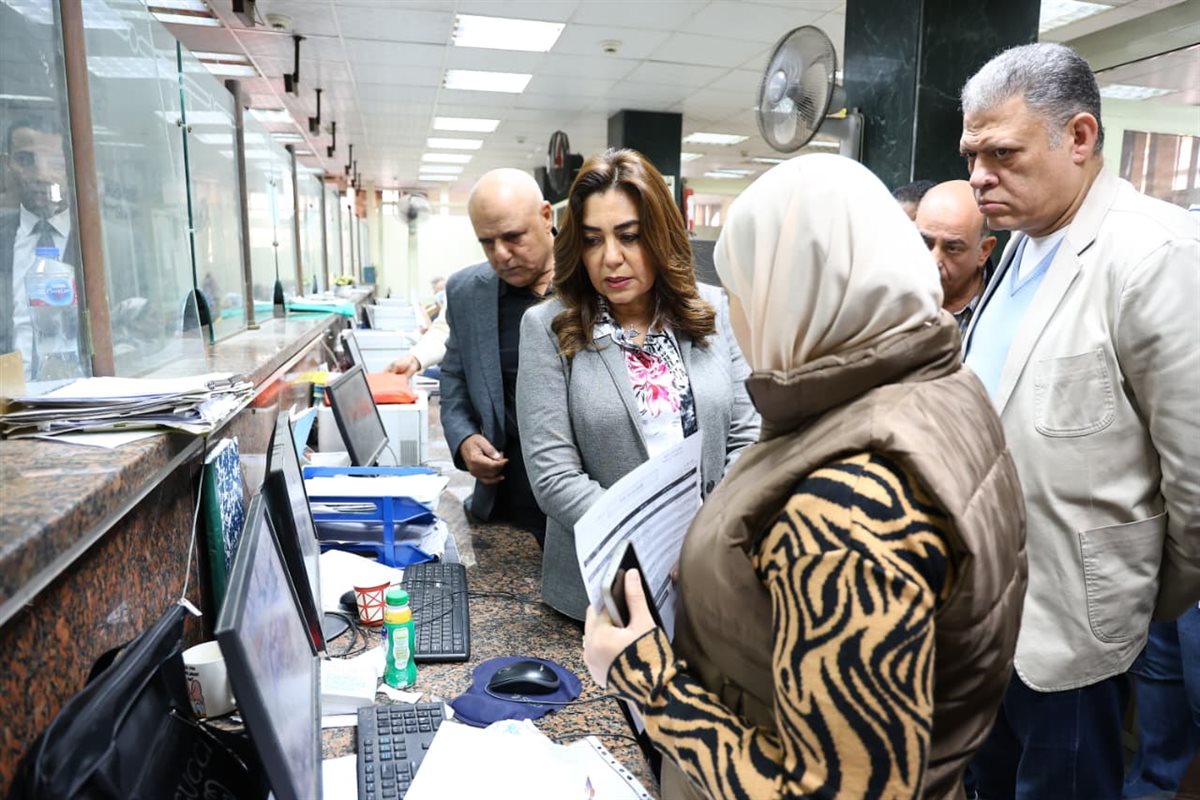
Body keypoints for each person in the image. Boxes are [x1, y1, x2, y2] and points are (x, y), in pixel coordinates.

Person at [582, 153, 1026, 800]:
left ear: (786, 298)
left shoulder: (853, 505)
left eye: (740, 295)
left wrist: (647, 678)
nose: (736, 320)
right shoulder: (937, 387)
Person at [958, 42, 1200, 799]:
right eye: (971, 155)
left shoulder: (1154, 253)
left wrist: (1137, 597)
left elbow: (1195, 479)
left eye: (1002, 153)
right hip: (988, 622)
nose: (978, 176)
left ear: (1081, 137)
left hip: (1074, 632)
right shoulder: (1021, 246)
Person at [517, 148, 759, 621]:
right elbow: (553, 476)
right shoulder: (548, 327)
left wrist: (707, 534)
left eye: (629, 236)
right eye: (593, 240)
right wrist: (651, 539)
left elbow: (747, 437)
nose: (611, 258)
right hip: (600, 591)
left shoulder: (713, 308)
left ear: (660, 233)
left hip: (709, 577)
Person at [437, 168, 556, 539]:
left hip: (584, 506)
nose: (501, 254)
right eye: (487, 242)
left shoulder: (597, 280)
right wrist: (463, 438)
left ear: (546, 216)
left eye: (513, 237)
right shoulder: (466, 292)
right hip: (504, 503)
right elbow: (454, 375)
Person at [1, 115, 78, 377]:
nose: (41, 175)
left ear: (71, 165)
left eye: (55, 162)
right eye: (25, 160)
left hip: (82, 392)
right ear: (7, 165)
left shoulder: (104, 244)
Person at [916, 180, 997, 333]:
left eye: (952, 249)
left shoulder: (1005, 316)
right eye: (925, 243)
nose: (934, 260)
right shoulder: (887, 303)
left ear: (984, 251)